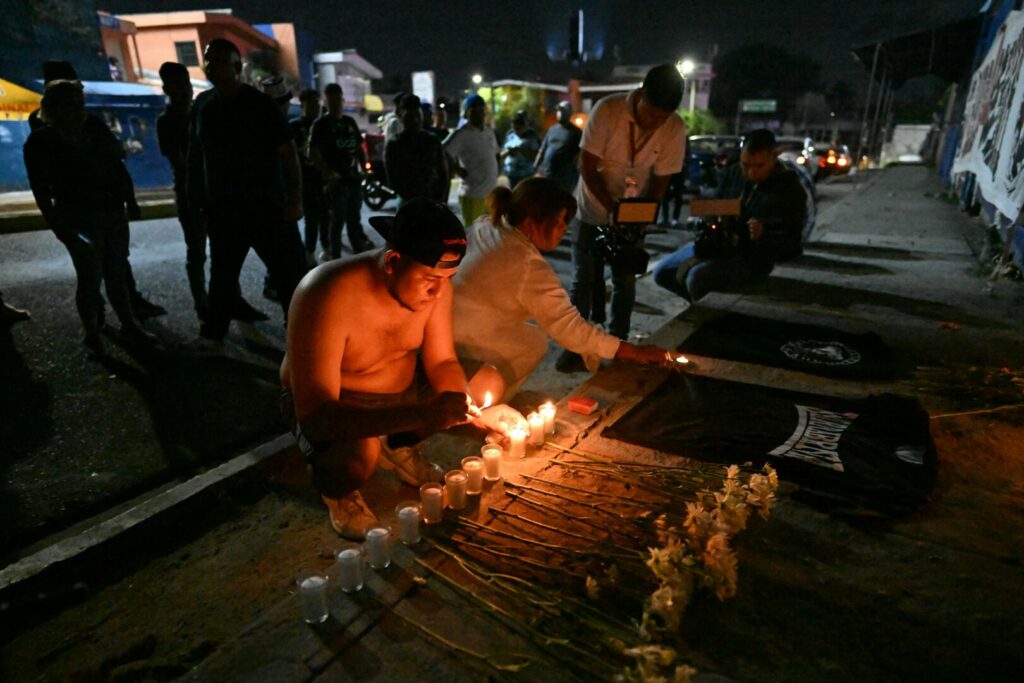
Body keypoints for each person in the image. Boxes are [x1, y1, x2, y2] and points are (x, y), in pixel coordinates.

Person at [279, 198, 520, 539]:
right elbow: (317, 416)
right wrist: (423, 414)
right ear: (393, 261)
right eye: (430, 278)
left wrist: (464, 407)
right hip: (337, 405)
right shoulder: (326, 292)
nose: (438, 290)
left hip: (400, 392)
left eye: (448, 277)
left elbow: (442, 361)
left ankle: (396, 444)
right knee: (355, 461)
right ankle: (339, 492)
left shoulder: (436, 287)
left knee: (486, 383)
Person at [453, 178, 672, 398]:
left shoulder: (488, 225)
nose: (563, 228)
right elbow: (570, 329)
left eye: (565, 221)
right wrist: (633, 352)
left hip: (449, 322)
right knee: (532, 344)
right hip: (460, 337)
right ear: (530, 223)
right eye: (557, 221)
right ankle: (485, 399)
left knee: (529, 336)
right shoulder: (527, 265)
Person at [557, 64, 687, 372]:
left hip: (632, 215)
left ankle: (620, 347)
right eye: (651, 114)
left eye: (662, 118)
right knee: (584, 280)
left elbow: (661, 181)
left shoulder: (674, 128)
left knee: (625, 279)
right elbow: (587, 167)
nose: (655, 123)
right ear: (641, 94)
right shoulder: (608, 110)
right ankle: (574, 348)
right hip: (592, 208)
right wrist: (611, 208)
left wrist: (640, 217)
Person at [187, 38, 307, 341]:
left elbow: (288, 154)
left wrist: (295, 199)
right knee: (222, 277)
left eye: (218, 60)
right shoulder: (203, 106)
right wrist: (197, 199)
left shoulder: (260, 105)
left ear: (236, 67)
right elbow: (197, 156)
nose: (211, 66)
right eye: (208, 60)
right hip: (223, 211)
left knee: (288, 275)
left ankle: (302, 335)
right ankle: (214, 335)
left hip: (267, 207)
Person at [23, 80, 157, 352]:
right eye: (71, 104)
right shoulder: (40, 142)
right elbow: (40, 189)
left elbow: (117, 164)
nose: (78, 109)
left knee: (115, 272)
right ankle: (92, 332)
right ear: (54, 107)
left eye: (80, 103)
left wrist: (130, 200)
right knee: (89, 276)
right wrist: (57, 224)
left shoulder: (93, 128)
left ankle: (127, 325)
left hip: (110, 209)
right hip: (76, 215)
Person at [652, 129, 806, 302]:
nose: (751, 173)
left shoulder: (789, 189)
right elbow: (718, 200)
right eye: (746, 165)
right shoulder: (734, 173)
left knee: (695, 278)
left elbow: (793, 241)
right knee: (661, 273)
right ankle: (699, 306)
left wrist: (764, 232)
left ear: (774, 157)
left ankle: (703, 312)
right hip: (717, 245)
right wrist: (705, 215)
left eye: (759, 166)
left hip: (752, 257)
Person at [309, 83, 374, 257]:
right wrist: (329, 174)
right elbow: (312, 153)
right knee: (337, 223)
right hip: (336, 183)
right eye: (332, 100)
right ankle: (335, 260)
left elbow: (359, 149)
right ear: (326, 102)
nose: (336, 104)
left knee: (354, 221)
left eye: (338, 99)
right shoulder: (320, 125)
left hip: (353, 180)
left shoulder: (349, 122)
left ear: (343, 100)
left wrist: (364, 168)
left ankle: (358, 258)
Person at [443, 94, 499, 225]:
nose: (479, 114)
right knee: (473, 232)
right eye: (475, 111)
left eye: (481, 110)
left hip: (490, 194)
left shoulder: (489, 132)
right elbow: (442, 152)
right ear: (467, 113)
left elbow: (495, 153)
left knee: (488, 232)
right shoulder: (461, 134)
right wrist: (457, 169)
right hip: (473, 195)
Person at [384, 94, 448, 207]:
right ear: (401, 117)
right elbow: (392, 179)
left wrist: (439, 199)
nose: (414, 120)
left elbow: (443, 172)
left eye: (417, 115)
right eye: (410, 116)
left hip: (432, 202)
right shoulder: (394, 144)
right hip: (407, 203)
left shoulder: (432, 140)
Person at [291, 88, 328, 265]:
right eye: (311, 104)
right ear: (302, 105)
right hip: (306, 179)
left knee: (326, 216)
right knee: (312, 218)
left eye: (317, 104)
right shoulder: (295, 126)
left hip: (324, 178)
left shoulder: (324, 125)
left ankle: (327, 249)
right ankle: (310, 252)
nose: (315, 107)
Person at [533, 101, 582, 192]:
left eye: (562, 111)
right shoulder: (552, 130)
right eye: (558, 111)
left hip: (565, 176)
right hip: (548, 173)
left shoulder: (576, 132)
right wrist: (536, 165)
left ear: (569, 113)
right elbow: (543, 148)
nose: (559, 113)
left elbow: (580, 154)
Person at [501, 110, 540, 189]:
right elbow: (502, 154)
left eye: (518, 128)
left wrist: (520, 150)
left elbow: (535, 156)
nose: (516, 131)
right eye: (514, 128)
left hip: (525, 174)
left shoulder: (531, 137)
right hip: (512, 174)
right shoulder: (510, 135)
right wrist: (508, 152)